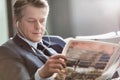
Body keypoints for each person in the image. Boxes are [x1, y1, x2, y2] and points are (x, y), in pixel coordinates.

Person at [0, 0, 67, 80]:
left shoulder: (57, 41)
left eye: (42, 21)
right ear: (16, 21)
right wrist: (40, 75)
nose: (38, 27)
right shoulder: (6, 52)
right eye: (31, 21)